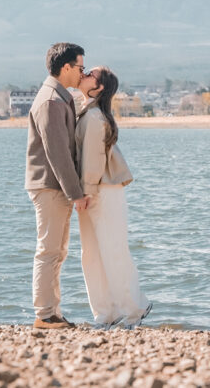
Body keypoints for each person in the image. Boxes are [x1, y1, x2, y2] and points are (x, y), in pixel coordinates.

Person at [74, 66, 151, 328]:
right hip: (92, 190)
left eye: (90, 74)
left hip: (102, 190)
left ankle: (133, 310)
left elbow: (94, 159)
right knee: (91, 253)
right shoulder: (86, 110)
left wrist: (86, 193)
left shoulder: (95, 117)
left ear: (100, 87)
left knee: (112, 249)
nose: (83, 74)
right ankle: (105, 313)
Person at [26, 42, 90, 329]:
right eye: (80, 68)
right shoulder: (51, 101)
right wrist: (76, 193)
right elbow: (57, 152)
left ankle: (51, 312)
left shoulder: (59, 97)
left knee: (56, 250)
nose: (82, 73)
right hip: (50, 185)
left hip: (54, 185)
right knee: (50, 249)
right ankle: (44, 314)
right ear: (66, 68)